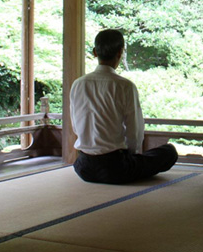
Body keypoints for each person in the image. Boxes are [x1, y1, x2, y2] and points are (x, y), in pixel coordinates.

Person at [71, 29, 178, 184]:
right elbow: (135, 131)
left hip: (83, 167)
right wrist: (132, 154)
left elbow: (76, 125)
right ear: (120, 52)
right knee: (169, 152)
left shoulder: (78, 84)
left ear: (95, 52)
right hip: (115, 168)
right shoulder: (124, 86)